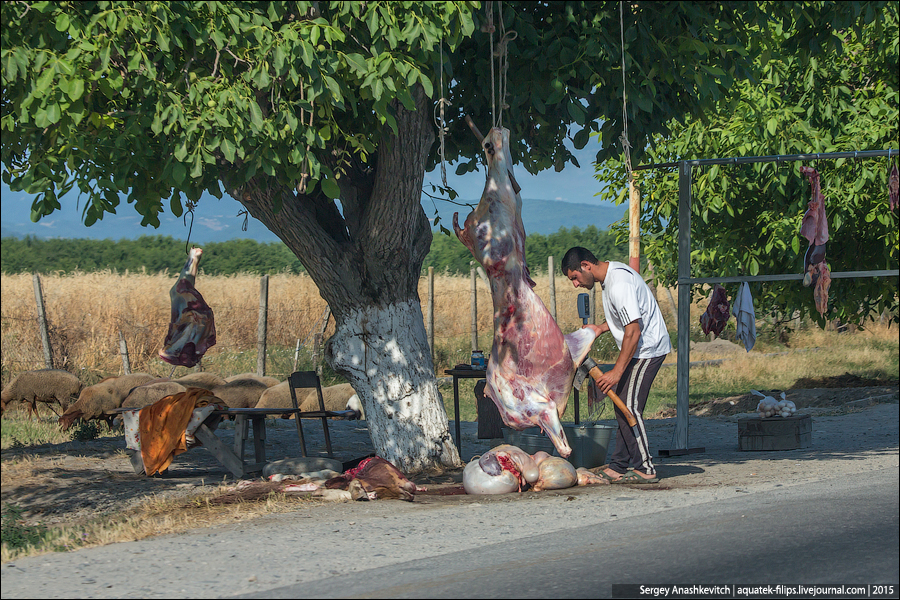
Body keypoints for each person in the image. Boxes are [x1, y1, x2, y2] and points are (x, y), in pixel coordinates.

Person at [561, 247, 671, 484]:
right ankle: (619, 466)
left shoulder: (619, 283)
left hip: (647, 349)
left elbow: (633, 331)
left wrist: (616, 372)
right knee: (622, 404)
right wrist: (600, 328)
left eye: (575, 278)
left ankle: (645, 468)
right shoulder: (609, 278)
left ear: (586, 266)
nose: (575, 285)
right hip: (638, 348)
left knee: (628, 406)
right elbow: (625, 318)